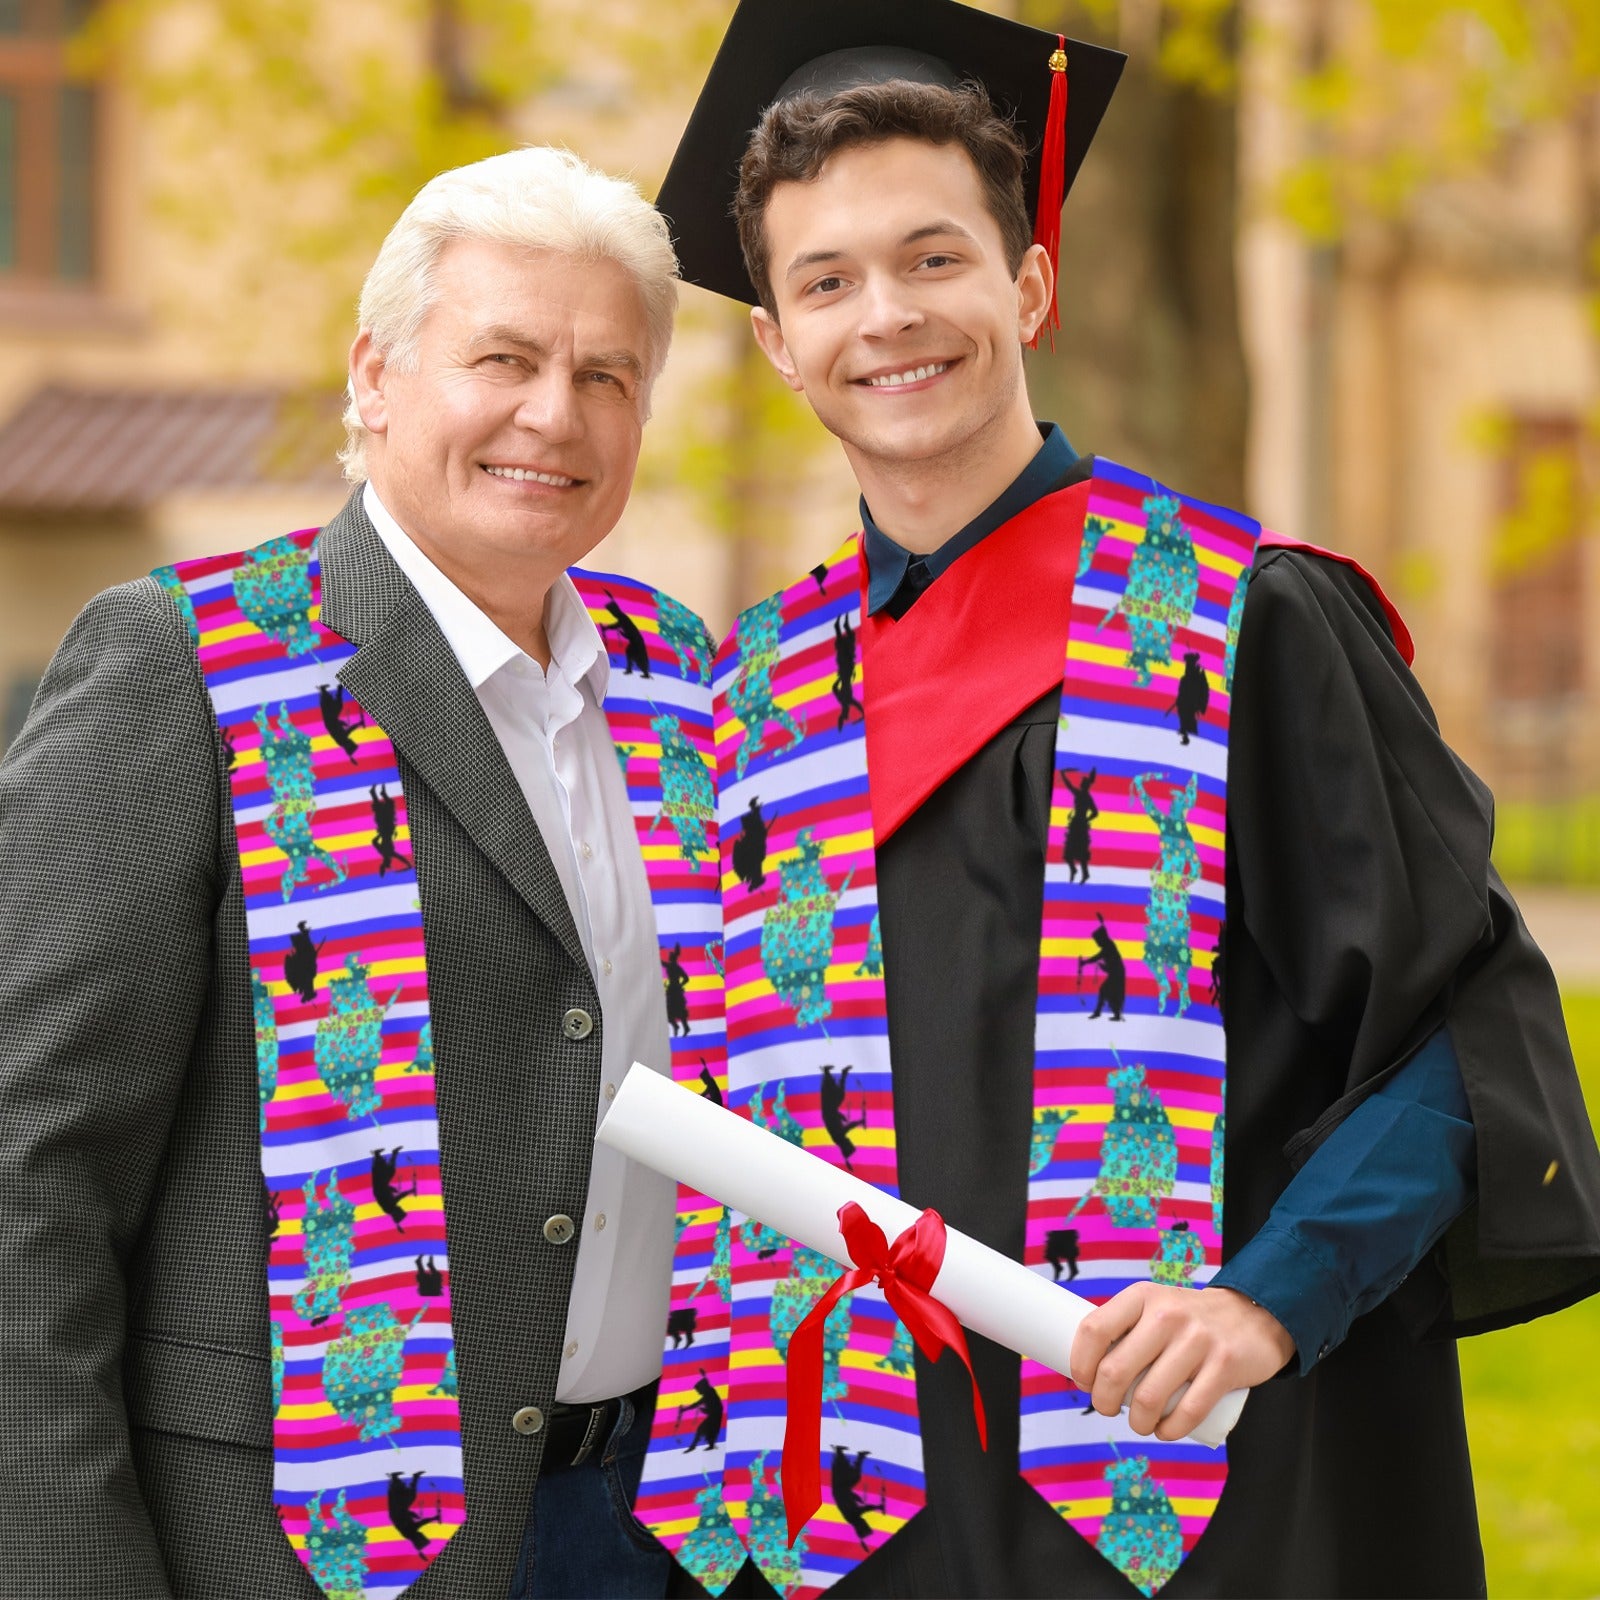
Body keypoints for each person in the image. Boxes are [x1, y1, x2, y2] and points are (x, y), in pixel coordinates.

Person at [630, 3, 1600, 1597]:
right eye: (828, 281)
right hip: (851, 1526)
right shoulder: (751, 699)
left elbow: (1462, 1034)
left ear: (1028, 282)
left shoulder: (1242, 623)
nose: (888, 316)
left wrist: (1268, 1298)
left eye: (935, 259)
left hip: (1201, 1491)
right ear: (778, 342)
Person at [0, 146, 723, 1600]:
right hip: (298, 1549)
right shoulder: (190, 667)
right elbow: (30, 1174)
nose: (553, 414)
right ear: (376, 376)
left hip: (659, 1529)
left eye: (606, 375)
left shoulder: (685, 683)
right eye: (504, 357)